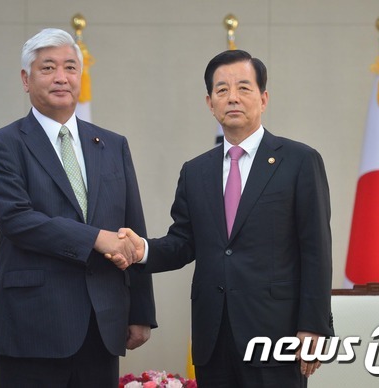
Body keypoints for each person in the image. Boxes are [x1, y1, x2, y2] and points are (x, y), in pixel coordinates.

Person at [112, 50, 334, 387]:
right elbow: (183, 243)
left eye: (244, 88)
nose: (232, 97)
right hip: (213, 336)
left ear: (263, 98)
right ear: (209, 102)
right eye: (221, 90)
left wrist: (314, 325)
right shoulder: (195, 171)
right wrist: (140, 249)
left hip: (276, 335)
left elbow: (316, 249)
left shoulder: (299, 161)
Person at [0, 28, 157, 388]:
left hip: (102, 324)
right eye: (48, 68)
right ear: (26, 79)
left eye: (70, 67)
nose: (61, 77)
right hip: (31, 326)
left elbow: (132, 228)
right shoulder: (2, 144)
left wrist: (141, 311)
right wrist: (95, 238)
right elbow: (17, 220)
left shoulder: (112, 144)